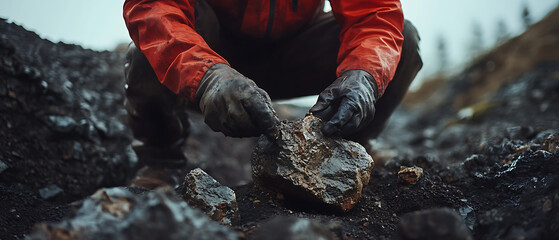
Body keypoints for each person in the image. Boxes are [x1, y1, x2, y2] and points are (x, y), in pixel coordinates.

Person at [123, 0, 422, 188]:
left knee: (402, 39)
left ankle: (351, 149)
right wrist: (207, 76)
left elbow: (374, 13)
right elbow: (152, 7)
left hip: (296, 53)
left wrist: (364, 76)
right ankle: (160, 160)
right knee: (147, 52)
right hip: (214, 58)